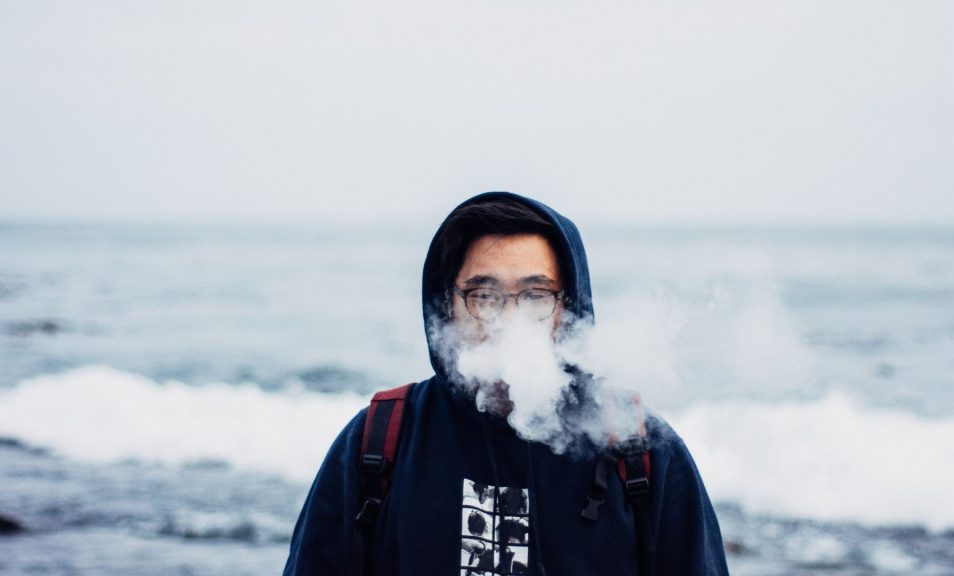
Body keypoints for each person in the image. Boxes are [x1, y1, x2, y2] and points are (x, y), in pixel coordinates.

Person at [283, 192, 729, 575]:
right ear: (447, 305)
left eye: (536, 295)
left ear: (567, 306)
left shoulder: (640, 448)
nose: (509, 319)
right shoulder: (379, 439)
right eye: (484, 296)